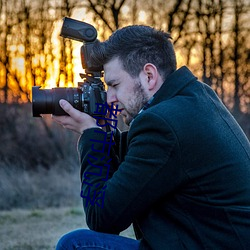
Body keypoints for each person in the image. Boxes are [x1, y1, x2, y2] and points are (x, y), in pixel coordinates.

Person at [53, 25, 250, 250]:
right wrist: (104, 132)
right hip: (213, 241)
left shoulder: (162, 124)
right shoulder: (194, 98)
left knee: (76, 244)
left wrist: (91, 136)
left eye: (115, 85)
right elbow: (137, 168)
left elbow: (103, 219)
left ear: (149, 75)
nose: (110, 99)